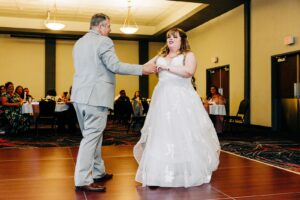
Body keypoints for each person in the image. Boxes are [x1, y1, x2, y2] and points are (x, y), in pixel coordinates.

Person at [71, 13, 156, 192]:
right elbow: (115, 66)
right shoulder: (104, 41)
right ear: (100, 26)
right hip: (96, 97)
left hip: (79, 97)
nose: (110, 30)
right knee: (91, 138)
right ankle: (82, 180)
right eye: (108, 26)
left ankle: (98, 171)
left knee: (93, 136)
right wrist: (142, 69)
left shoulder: (79, 43)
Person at [133, 28, 220, 188]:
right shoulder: (160, 56)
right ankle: (157, 174)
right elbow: (145, 67)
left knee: (182, 131)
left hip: (182, 98)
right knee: (162, 132)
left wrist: (166, 68)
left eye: (174, 36)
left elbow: (188, 72)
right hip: (162, 98)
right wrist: (153, 66)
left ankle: (186, 171)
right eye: (168, 37)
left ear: (182, 40)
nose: (170, 39)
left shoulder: (189, 55)